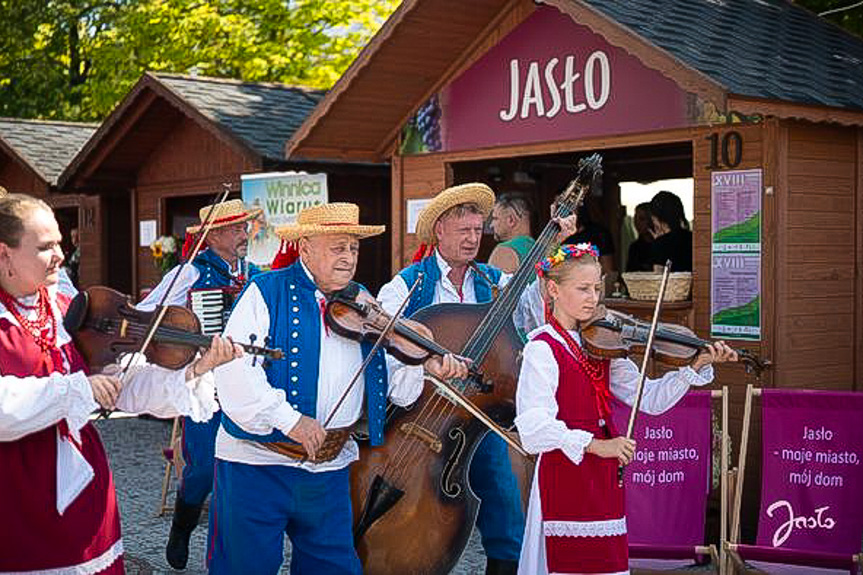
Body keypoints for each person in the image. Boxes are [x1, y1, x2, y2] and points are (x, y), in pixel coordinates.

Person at [208, 202, 469, 574]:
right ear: (306, 248)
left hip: (328, 466)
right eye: (338, 248)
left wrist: (423, 365)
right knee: (245, 566)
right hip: (258, 463)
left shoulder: (363, 302)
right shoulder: (266, 290)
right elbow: (235, 370)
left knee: (334, 566)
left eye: (354, 248)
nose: (349, 258)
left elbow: (399, 390)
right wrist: (290, 419)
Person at [0, 192, 241, 574]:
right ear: (4, 254)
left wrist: (193, 371)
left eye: (60, 242)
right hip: (16, 492)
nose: (61, 255)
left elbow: (121, 386)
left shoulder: (69, 310)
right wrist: (79, 390)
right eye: (46, 247)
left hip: (85, 490)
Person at [378, 183, 578, 575]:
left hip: (478, 419)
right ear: (439, 231)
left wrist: (553, 246)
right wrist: (422, 367)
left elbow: (533, 318)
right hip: (419, 417)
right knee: (417, 515)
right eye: (463, 231)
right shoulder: (408, 284)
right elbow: (384, 346)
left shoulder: (492, 281)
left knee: (507, 516)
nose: (473, 239)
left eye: (477, 230)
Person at [514, 243, 737, 575]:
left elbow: (649, 398)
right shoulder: (541, 348)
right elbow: (532, 426)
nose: (593, 297)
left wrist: (693, 367)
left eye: (598, 288)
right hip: (565, 475)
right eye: (583, 289)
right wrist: (599, 446)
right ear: (553, 289)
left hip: (603, 477)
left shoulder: (601, 345)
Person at [137, 199, 263, 570]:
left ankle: (224, 558)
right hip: (206, 385)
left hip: (247, 386)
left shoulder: (255, 274)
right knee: (203, 470)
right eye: (239, 228)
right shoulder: (190, 276)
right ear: (217, 235)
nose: (245, 235)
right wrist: (186, 337)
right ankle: (181, 525)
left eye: (245, 228)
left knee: (237, 474)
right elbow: (148, 316)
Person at [489, 193, 535, 274]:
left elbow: (488, 286)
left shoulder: (504, 251)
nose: (491, 225)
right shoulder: (543, 249)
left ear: (511, 220)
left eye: (495, 218)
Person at [649, 190, 692, 272]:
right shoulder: (692, 238)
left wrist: (658, 242)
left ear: (655, 217)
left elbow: (658, 278)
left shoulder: (659, 244)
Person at [626, 202, 655, 272]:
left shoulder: (660, 245)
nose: (637, 223)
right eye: (635, 218)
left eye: (642, 219)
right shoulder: (634, 248)